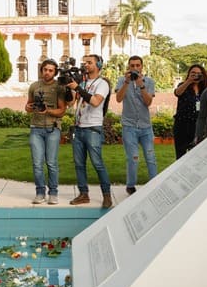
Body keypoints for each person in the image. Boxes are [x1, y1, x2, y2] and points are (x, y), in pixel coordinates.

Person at [65, 54, 113, 208]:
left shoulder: (102, 84)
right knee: (79, 164)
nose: (86, 65)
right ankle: (83, 194)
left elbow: (95, 101)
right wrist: (68, 88)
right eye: (85, 62)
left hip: (92, 128)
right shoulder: (83, 83)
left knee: (97, 163)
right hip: (79, 127)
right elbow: (71, 103)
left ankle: (107, 195)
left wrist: (78, 88)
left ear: (98, 65)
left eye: (89, 62)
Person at [25, 59, 66, 204]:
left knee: (51, 163)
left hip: (52, 128)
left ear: (55, 72)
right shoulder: (34, 86)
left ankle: (53, 193)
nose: (47, 72)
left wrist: (48, 111)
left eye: (50, 70)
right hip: (36, 128)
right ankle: (40, 192)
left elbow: (62, 111)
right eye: (45, 70)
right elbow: (28, 106)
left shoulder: (59, 87)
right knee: (37, 163)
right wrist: (29, 108)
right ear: (41, 70)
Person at [115, 55, 158, 195]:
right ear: (129, 67)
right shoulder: (122, 80)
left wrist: (141, 85)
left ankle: (154, 185)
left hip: (145, 126)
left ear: (142, 66)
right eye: (132, 65)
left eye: (137, 65)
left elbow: (148, 102)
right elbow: (118, 99)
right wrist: (127, 82)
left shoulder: (149, 81)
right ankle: (130, 185)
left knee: (150, 157)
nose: (135, 68)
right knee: (133, 158)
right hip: (129, 126)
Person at [173, 64, 207, 158]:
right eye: (193, 73)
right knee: (180, 154)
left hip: (197, 125)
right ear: (189, 74)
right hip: (182, 125)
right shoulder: (183, 85)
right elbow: (177, 93)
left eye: (198, 74)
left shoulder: (205, 89)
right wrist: (189, 81)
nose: (195, 75)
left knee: (196, 155)